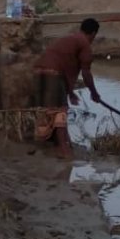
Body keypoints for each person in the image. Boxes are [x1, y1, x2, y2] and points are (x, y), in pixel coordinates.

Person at [33, 18, 101, 156]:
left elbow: (65, 65)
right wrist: (94, 93)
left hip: (38, 72)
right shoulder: (85, 44)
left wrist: (70, 92)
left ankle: (46, 144)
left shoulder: (70, 39)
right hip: (54, 74)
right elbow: (86, 73)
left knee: (47, 109)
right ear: (93, 33)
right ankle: (63, 149)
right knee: (60, 111)